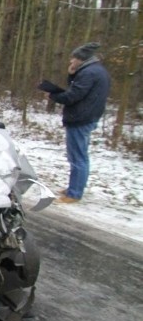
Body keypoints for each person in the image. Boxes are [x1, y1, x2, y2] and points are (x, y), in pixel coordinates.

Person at [38, 42, 111, 203]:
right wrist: (71, 74)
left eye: (74, 59)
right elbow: (77, 90)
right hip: (87, 116)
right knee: (79, 156)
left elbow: (72, 96)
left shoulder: (89, 73)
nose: (71, 61)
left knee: (78, 158)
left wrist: (53, 96)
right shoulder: (95, 70)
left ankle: (74, 194)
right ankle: (74, 188)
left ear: (82, 59)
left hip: (80, 118)